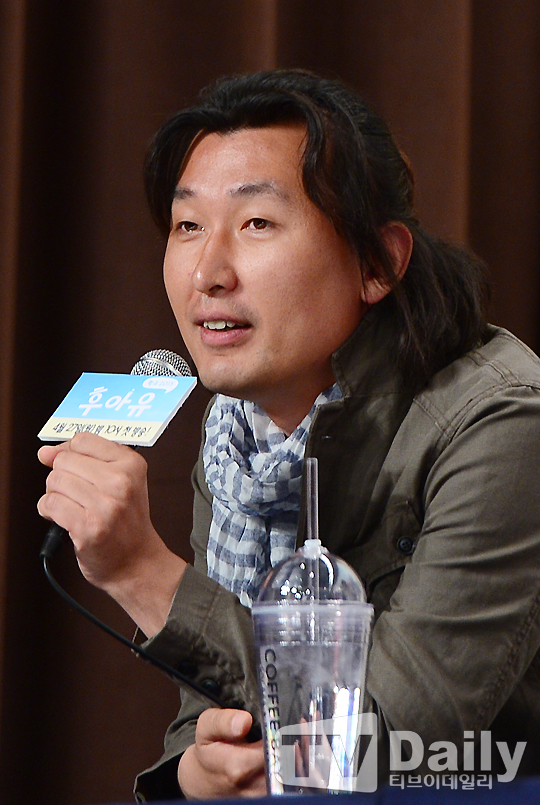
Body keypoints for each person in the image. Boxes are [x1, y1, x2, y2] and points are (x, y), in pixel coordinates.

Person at [37, 69, 540, 801]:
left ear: (377, 263)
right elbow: (211, 700)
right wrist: (197, 770)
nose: (208, 272)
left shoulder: (502, 420)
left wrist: (141, 574)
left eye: (257, 224)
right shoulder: (236, 435)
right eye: (187, 226)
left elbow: (393, 741)